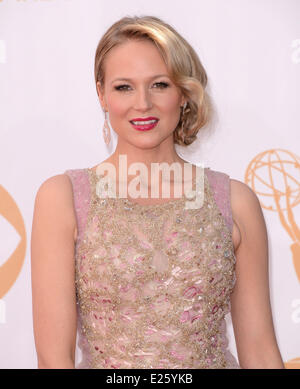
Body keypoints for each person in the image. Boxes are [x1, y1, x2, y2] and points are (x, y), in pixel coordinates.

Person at [31, 15, 285, 369]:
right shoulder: (63, 198)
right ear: (101, 93)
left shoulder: (235, 202)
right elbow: (53, 359)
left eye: (160, 85)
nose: (143, 104)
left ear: (183, 93)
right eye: (124, 87)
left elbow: (259, 351)